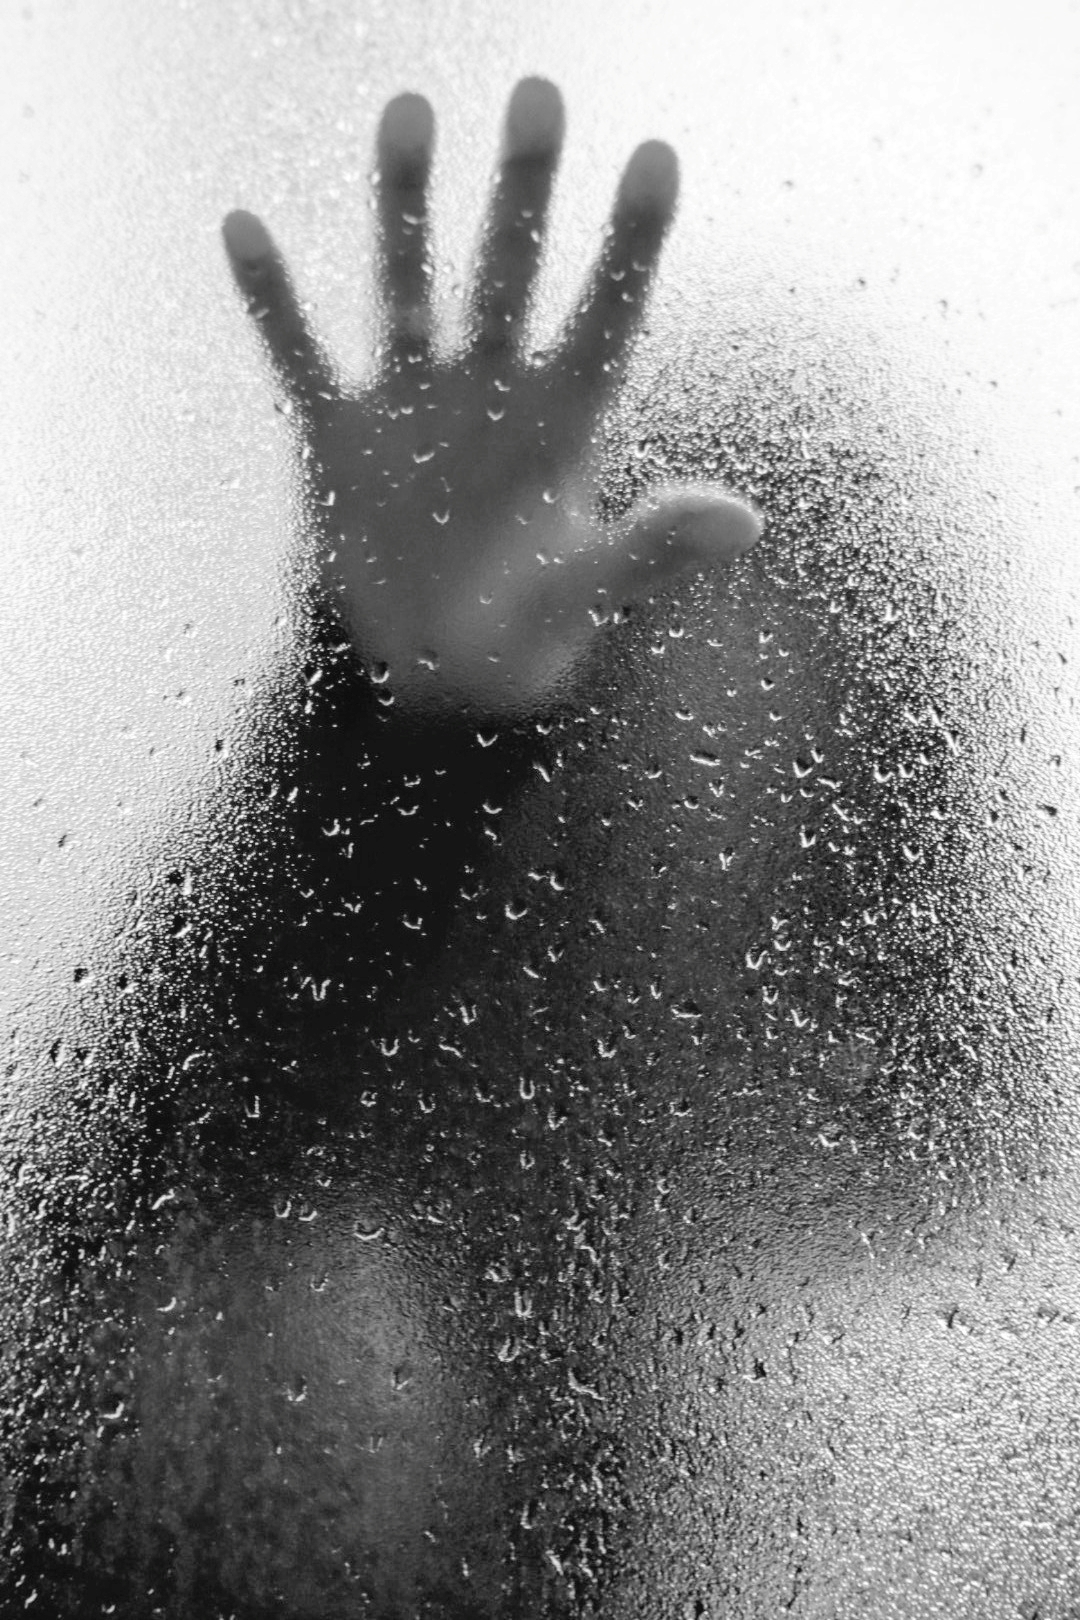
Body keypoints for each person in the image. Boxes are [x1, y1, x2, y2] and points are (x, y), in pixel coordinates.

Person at [4, 75, 1075, 1620]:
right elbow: (96, 1315)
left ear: (882, 826)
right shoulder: (439, 1244)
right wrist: (403, 739)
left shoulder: (1007, 1300)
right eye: (648, 777)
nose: (709, 850)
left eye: (783, 812)